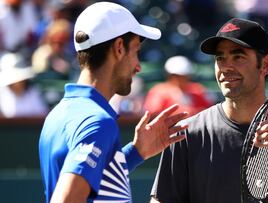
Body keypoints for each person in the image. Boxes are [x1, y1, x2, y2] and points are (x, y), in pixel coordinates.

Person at [150, 18, 268, 203]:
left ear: (265, 65)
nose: (226, 67)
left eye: (238, 56)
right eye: (220, 58)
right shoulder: (187, 132)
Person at [38, 2, 188, 203]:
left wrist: (136, 152)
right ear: (119, 48)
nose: (138, 66)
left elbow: (92, 181)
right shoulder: (98, 122)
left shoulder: (59, 114)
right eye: (135, 52)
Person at [143, 55, 212, 116]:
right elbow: (152, 114)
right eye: (176, 76)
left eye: (184, 76)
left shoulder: (197, 89)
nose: (181, 79)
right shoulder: (159, 91)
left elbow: (208, 111)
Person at [0, 52, 48, 117]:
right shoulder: (2, 93)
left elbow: (42, 115)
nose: (18, 84)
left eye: (20, 81)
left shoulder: (33, 92)